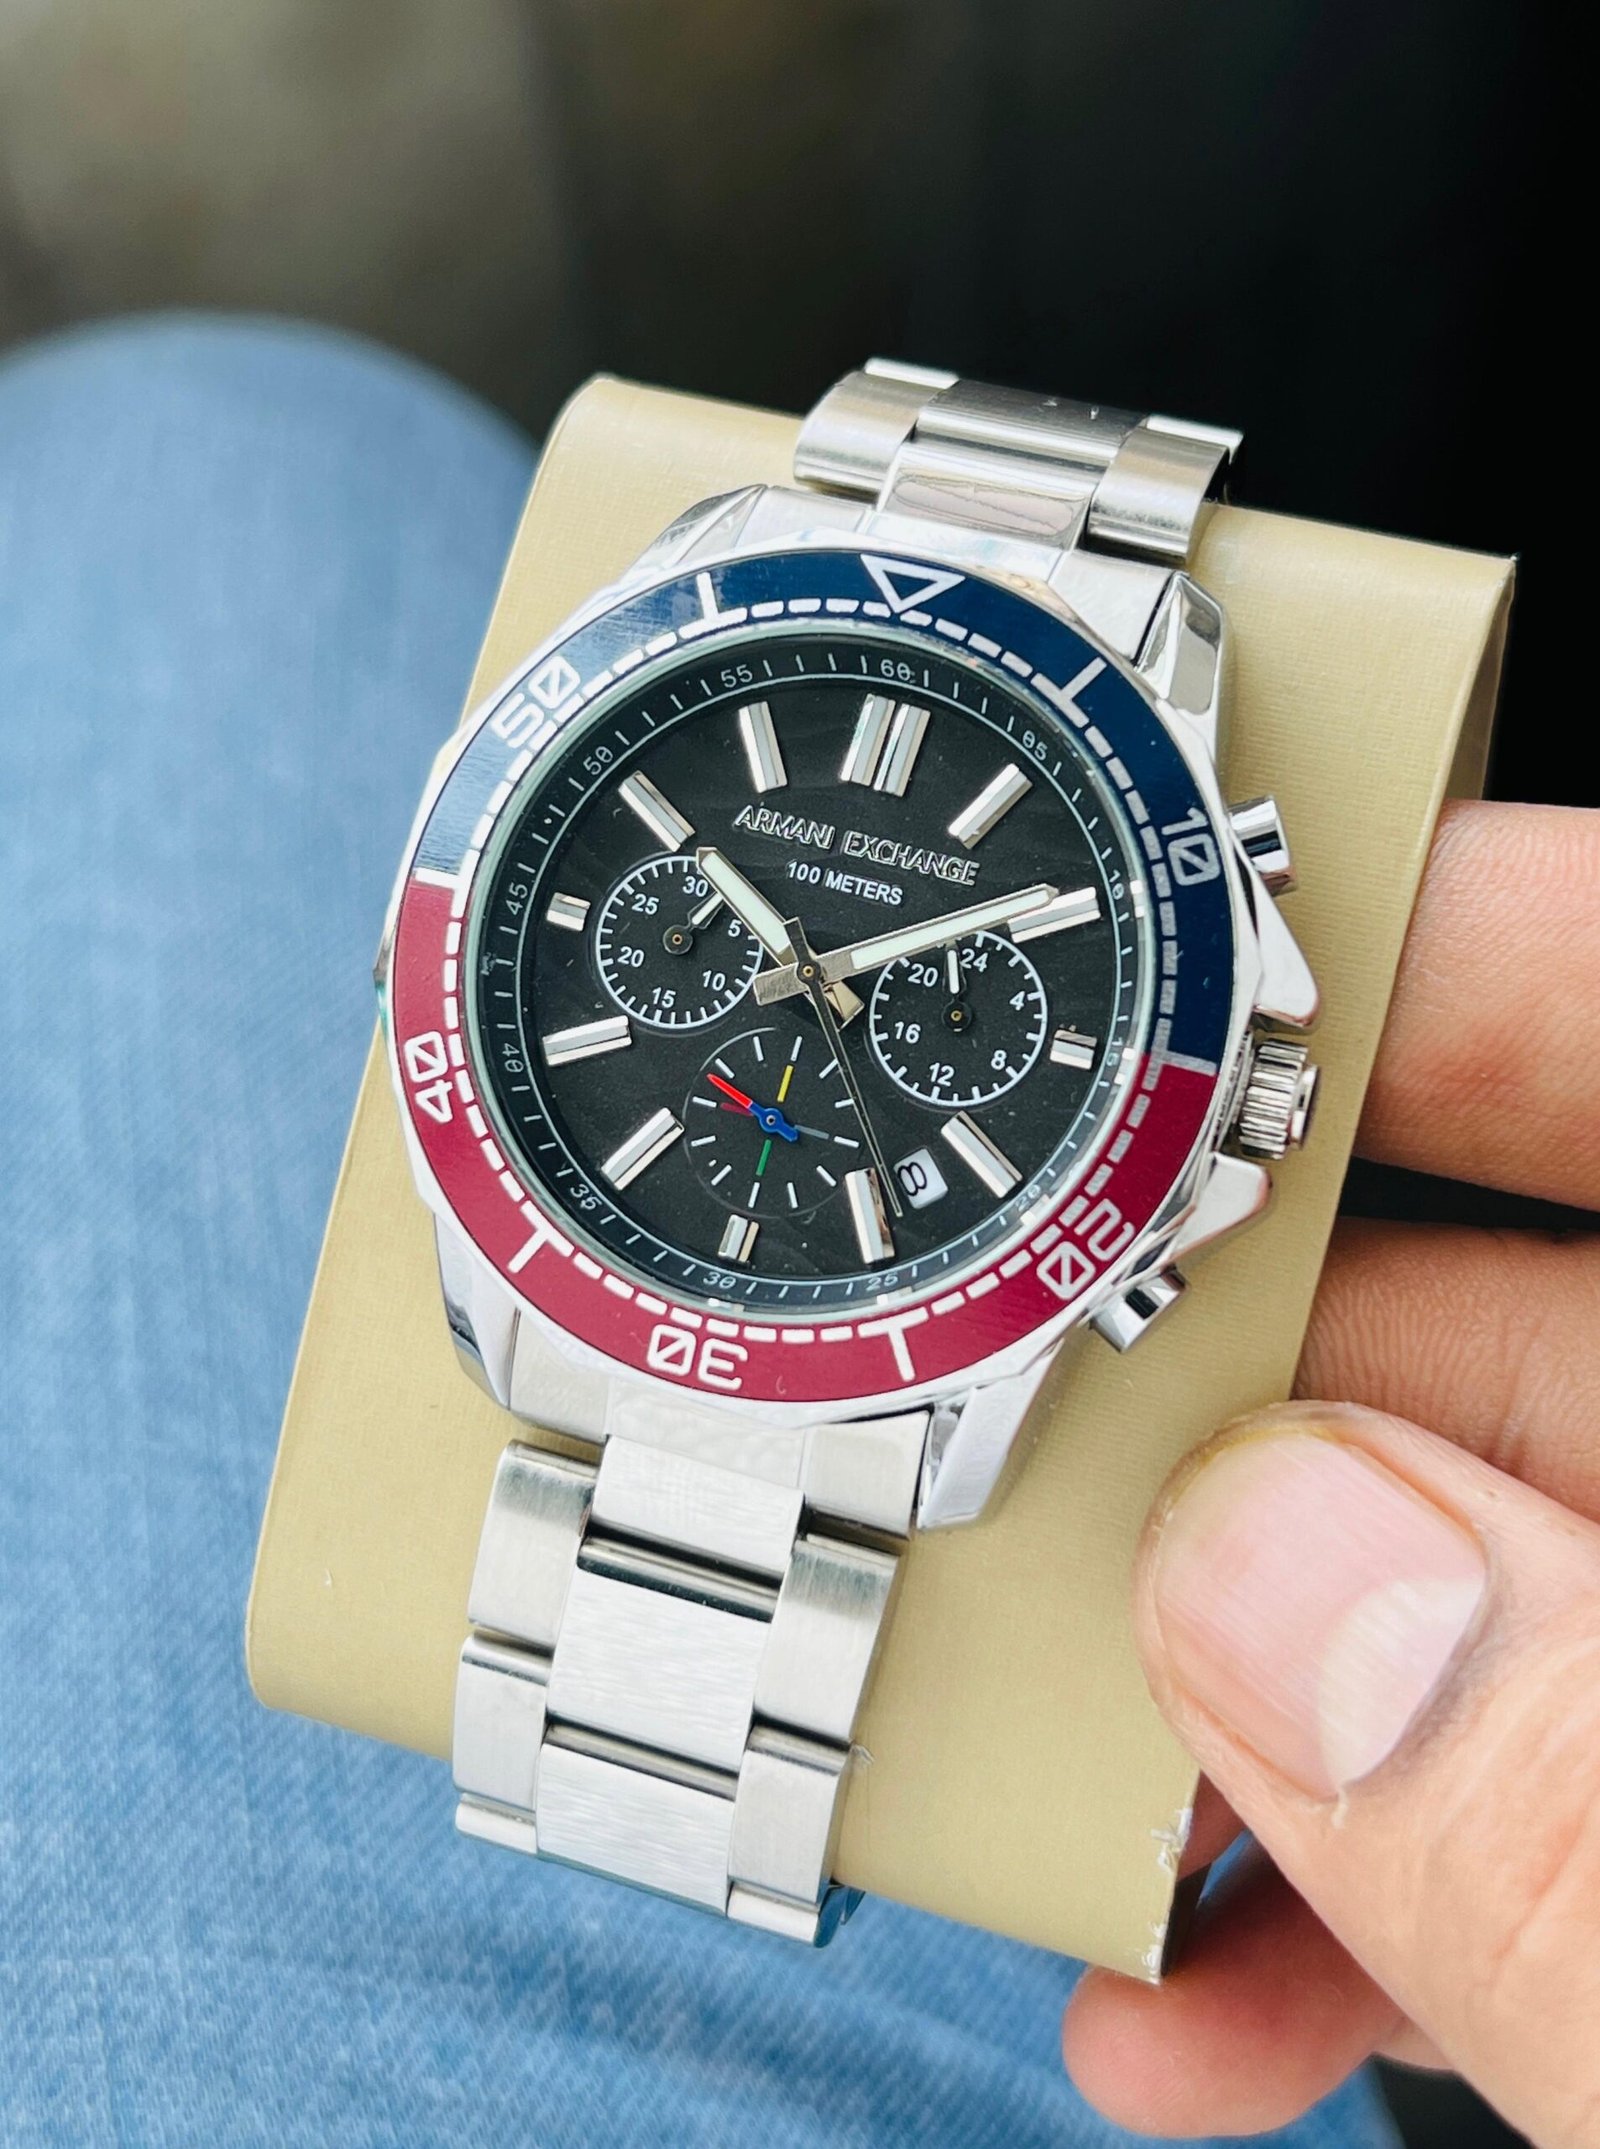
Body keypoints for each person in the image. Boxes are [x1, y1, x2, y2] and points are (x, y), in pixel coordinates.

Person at [1, 313, 1590, 2149]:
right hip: (654, 1265)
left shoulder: (1178, 1079)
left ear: (1239, 1110)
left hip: (906, 1363)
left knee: (193, 422)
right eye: (790, 950)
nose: (817, 976)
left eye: (841, 968)